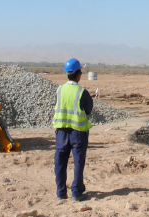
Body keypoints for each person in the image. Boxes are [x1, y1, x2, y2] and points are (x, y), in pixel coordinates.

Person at [53, 58, 93, 201]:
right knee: (78, 162)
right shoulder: (82, 92)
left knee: (60, 162)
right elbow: (88, 110)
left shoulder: (59, 90)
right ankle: (77, 192)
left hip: (61, 132)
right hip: (78, 132)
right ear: (78, 75)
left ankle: (61, 192)